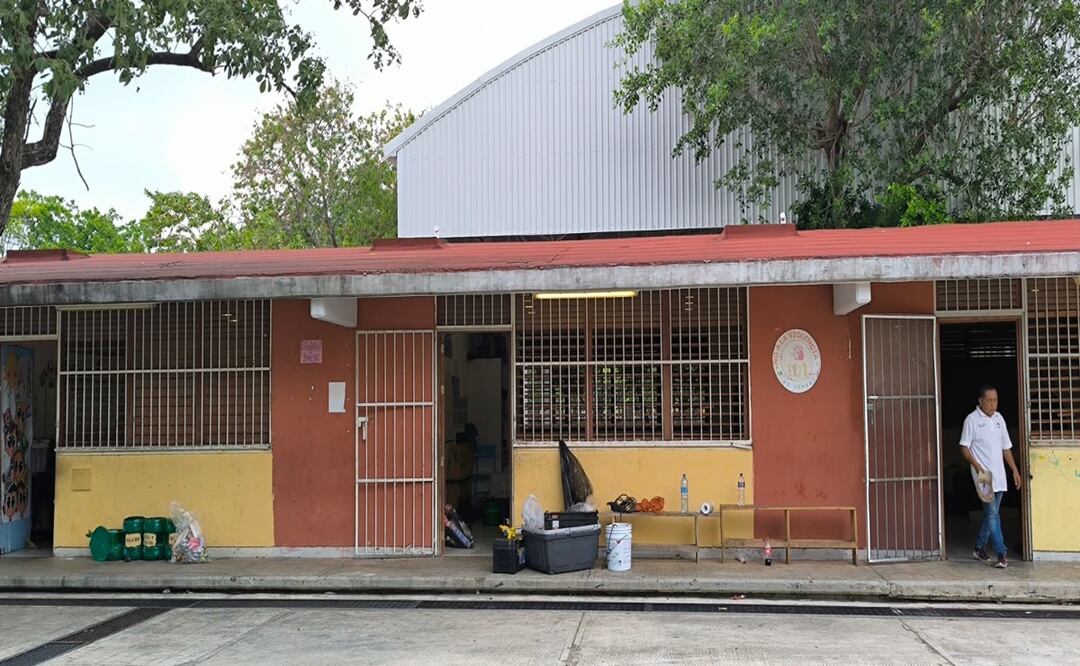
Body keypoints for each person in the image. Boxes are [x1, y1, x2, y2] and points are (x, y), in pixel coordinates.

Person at [959, 384, 1022, 569]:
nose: (993, 404)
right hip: (984, 476)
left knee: (990, 514)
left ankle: (979, 547)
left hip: (1000, 475)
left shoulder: (999, 419)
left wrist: (1014, 470)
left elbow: (1006, 448)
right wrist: (977, 466)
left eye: (995, 400)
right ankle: (1001, 553)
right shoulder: (971, 420)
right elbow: (964, 447)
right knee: (993, 514)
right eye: (989, 401)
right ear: (980, 401)